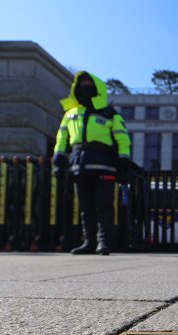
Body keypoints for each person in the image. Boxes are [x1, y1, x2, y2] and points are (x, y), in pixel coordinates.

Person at [52, 71, 132, 255]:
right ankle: (89, 242)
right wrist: (58, 160)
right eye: (82, 85)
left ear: (98, 88)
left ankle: (104, 242)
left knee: (104, 206)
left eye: (89, 84)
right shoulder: (70, 114)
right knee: (86, 207)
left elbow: (123, 140)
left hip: (104, 165)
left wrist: (124, 161)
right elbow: (62, 138)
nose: (85, 88)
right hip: (79, 165)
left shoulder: (110, 114)